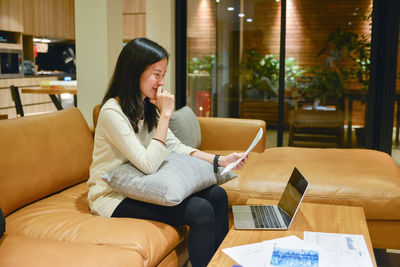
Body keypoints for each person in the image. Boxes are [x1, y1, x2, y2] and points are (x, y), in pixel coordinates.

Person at [87, 37, 248, 267]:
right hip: (113, 196)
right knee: (200, 210)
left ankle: (220, 263)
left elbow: (176, 147)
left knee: (217, 195)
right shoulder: (112, 113)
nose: (161, 82)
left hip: (141, 184)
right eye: (157, 74)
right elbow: (148, 164)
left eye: (163, 75)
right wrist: (165, 115)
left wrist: (220, 160)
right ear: (135, 72)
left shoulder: (146, 106)